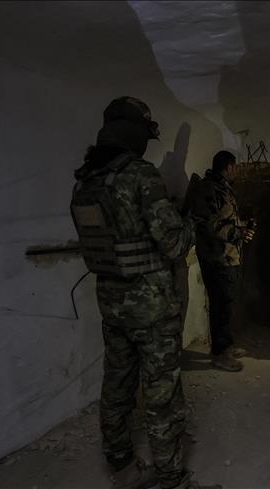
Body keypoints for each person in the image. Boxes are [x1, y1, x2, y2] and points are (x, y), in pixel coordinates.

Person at [70, 96, 219, 489]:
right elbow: (174, 244)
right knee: (162, 395)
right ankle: (172, 479)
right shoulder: (140, 174)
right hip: (150, 307)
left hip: (111, 302)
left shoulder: (86, 181)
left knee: (117, 385)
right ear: (134, 135)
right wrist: (193, 218)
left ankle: (123, 468)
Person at [191, 150, 255, 372]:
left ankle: (225, 345)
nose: (235, 171)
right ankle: (220, 353)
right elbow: (208, 225)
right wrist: (238, 233)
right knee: (220, 304)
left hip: (227, 256)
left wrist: (242, 227)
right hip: (216, 258)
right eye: (234, 167)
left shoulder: (223, 188)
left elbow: (225, 219)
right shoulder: (208, 189)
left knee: (227, 303)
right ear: (229, 167)